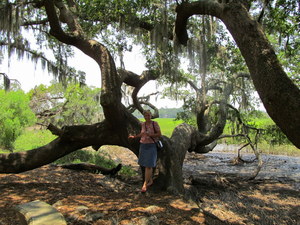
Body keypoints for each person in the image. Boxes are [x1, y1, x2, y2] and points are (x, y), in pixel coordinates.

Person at [128, 110, 162, 193]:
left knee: (149, 165)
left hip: (151, 145)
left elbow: (159, 134)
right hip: (143, 145)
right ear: (144, 116)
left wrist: (151, 135)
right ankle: (150, 180)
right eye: (146, 115)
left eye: (149, 115)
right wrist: (134, 136)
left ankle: (145, 184)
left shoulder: (155, 123)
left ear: (151, 115)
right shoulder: (143, 124)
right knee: (144, 163)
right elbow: (142, 134)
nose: (147, 117)